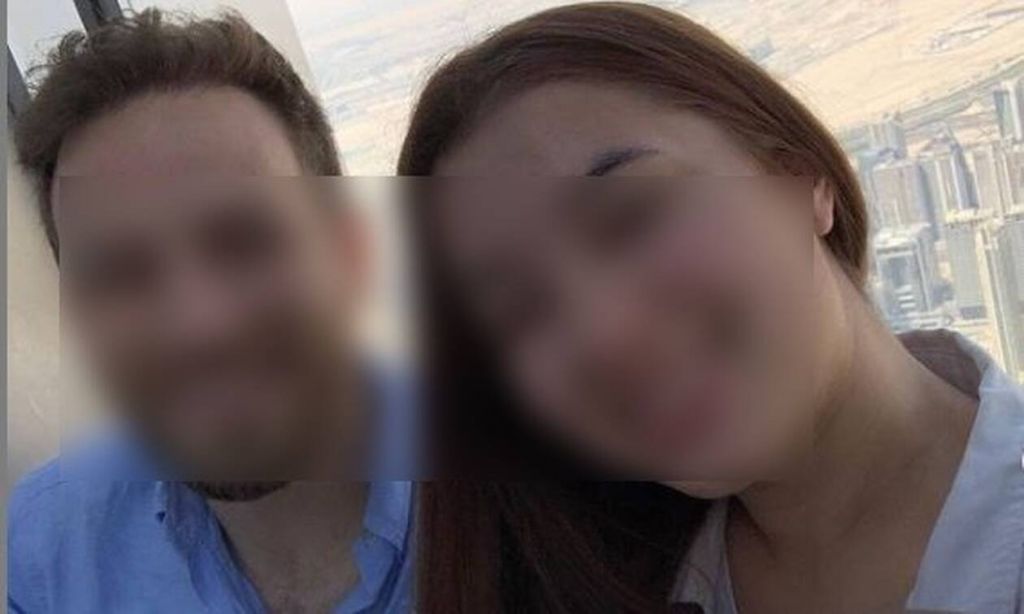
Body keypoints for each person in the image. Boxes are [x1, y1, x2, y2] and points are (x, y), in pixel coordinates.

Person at [398, 3, 1024, 613]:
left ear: (804, 178)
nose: (606, 334)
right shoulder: (583, 581)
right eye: (519, 310)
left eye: (630, 217)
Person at [9, 9, 413, 613]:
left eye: (245, 242)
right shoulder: (50, 549)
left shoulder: (538, 499)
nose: (199, 325)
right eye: (121, 274)